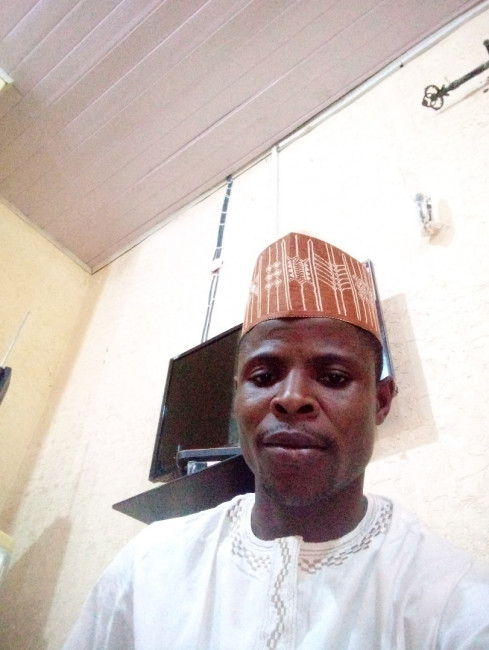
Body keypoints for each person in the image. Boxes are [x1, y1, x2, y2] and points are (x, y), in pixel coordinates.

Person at [64, 232, 489, 649]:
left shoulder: (451, 598)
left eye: (333, 377)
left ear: (381, 402)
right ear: (236, 399)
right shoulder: (147, 569)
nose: (290, 398)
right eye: (264, 377)